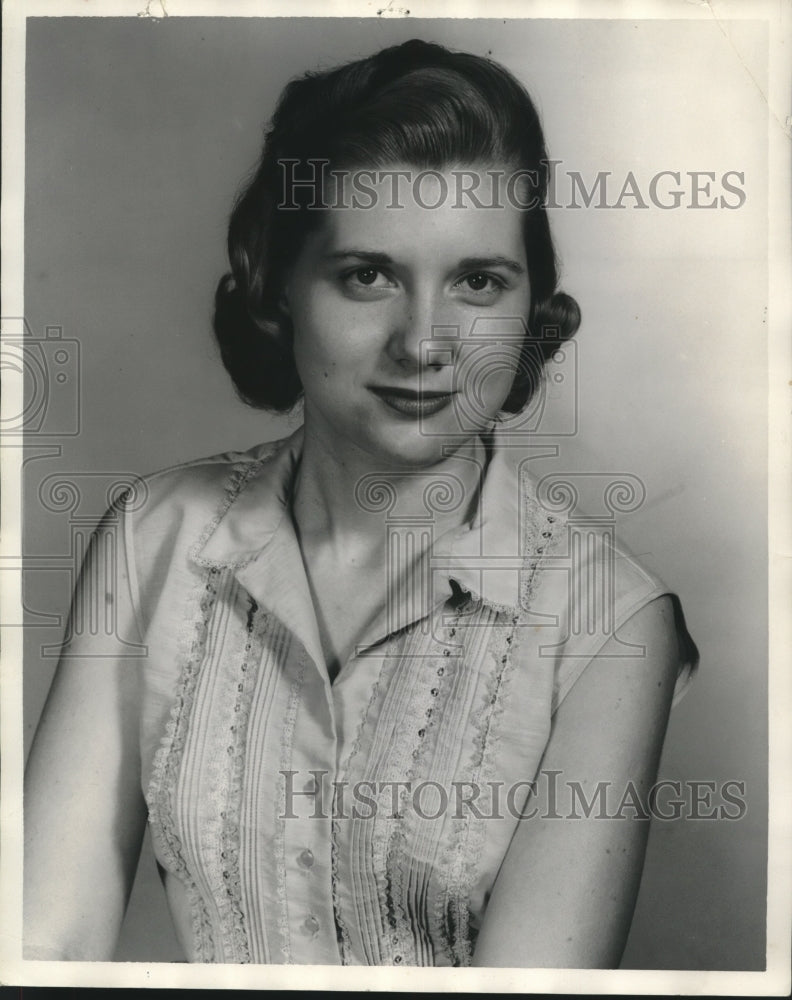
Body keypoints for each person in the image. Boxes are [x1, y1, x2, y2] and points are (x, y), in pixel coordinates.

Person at [23, 38, 698, 967]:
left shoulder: (612, 623)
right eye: (368, 275)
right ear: (279, 286)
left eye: (478, 281)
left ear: (530, 299)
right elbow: (43, 943)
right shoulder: (153, 538)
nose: (425, 343)